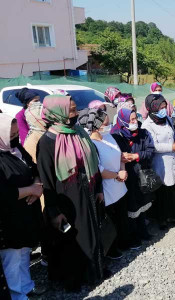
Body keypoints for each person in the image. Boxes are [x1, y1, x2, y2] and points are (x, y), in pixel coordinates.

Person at [36, 95, 105, 291]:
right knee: (72, 241)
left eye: (75, 109)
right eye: (71, 110)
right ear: (58, 113)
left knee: (91, 233)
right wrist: (54, 211)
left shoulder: (78, 131)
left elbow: (93, 163)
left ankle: (95, 271)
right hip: (67, 199)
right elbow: (47, 180)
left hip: (88, 193)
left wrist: (98, 189)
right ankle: (74, 280)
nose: (76, 114)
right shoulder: (47, 141)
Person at [0, 114, 45, 299]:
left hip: (26, 214)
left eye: (17, 132)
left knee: (25, 253)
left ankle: (27, 286)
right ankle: (17, 295)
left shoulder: (16, 149)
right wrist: (30, 190)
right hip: (9, 219)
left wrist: (36, 185)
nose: (15, 137)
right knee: (12, 259)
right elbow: (3, 193)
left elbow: (33, 168)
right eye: (11, 135)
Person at [78, 108, 128, 259]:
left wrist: (123, 170)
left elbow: (120, 156)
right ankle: (110, 250)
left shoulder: (108, 136)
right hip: (107, 189)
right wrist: (117, 175)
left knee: (121, 218)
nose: (107, 126)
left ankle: (121, 243)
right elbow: (99, 170)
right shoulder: (90, 144)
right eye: (104, 124)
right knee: (109, 221)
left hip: (120, 184)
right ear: (95, 125)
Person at [111, 108, 154, 248]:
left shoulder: (143, 133)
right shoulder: (116, 136)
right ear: (123, 121)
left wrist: (136, 156)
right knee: (130, 206)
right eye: (131, 120)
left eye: (136, 118)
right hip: (127, 177)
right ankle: (133, 235)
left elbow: (150, 150)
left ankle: (143, 231)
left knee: (142, 203)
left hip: (142, 174)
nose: (135, 122)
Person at [142, 94, 175, 229]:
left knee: (173, 191)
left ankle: (174, 216)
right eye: (160, 107)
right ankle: (162, 219)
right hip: (160, 163)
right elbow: (153, 145)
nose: (164, 110)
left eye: (165, 107)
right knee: (162, 193)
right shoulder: (147, 125)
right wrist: (172, 147)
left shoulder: (167, 119)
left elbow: (173, 134)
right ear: (152, 107)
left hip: (173, 160)